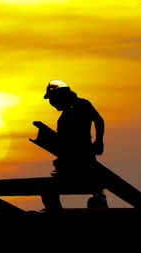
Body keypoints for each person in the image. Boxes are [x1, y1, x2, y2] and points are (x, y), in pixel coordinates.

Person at [40, 79, 109, 210]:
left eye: (53, 100)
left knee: (49, 190)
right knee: (47, 191)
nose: (53, 105)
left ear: (61, 97)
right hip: (69, 163)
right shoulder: (65, 115)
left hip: (82, 163)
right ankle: (56, 213)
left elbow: (99, 121)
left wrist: (99, 141)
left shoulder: (82, 105)